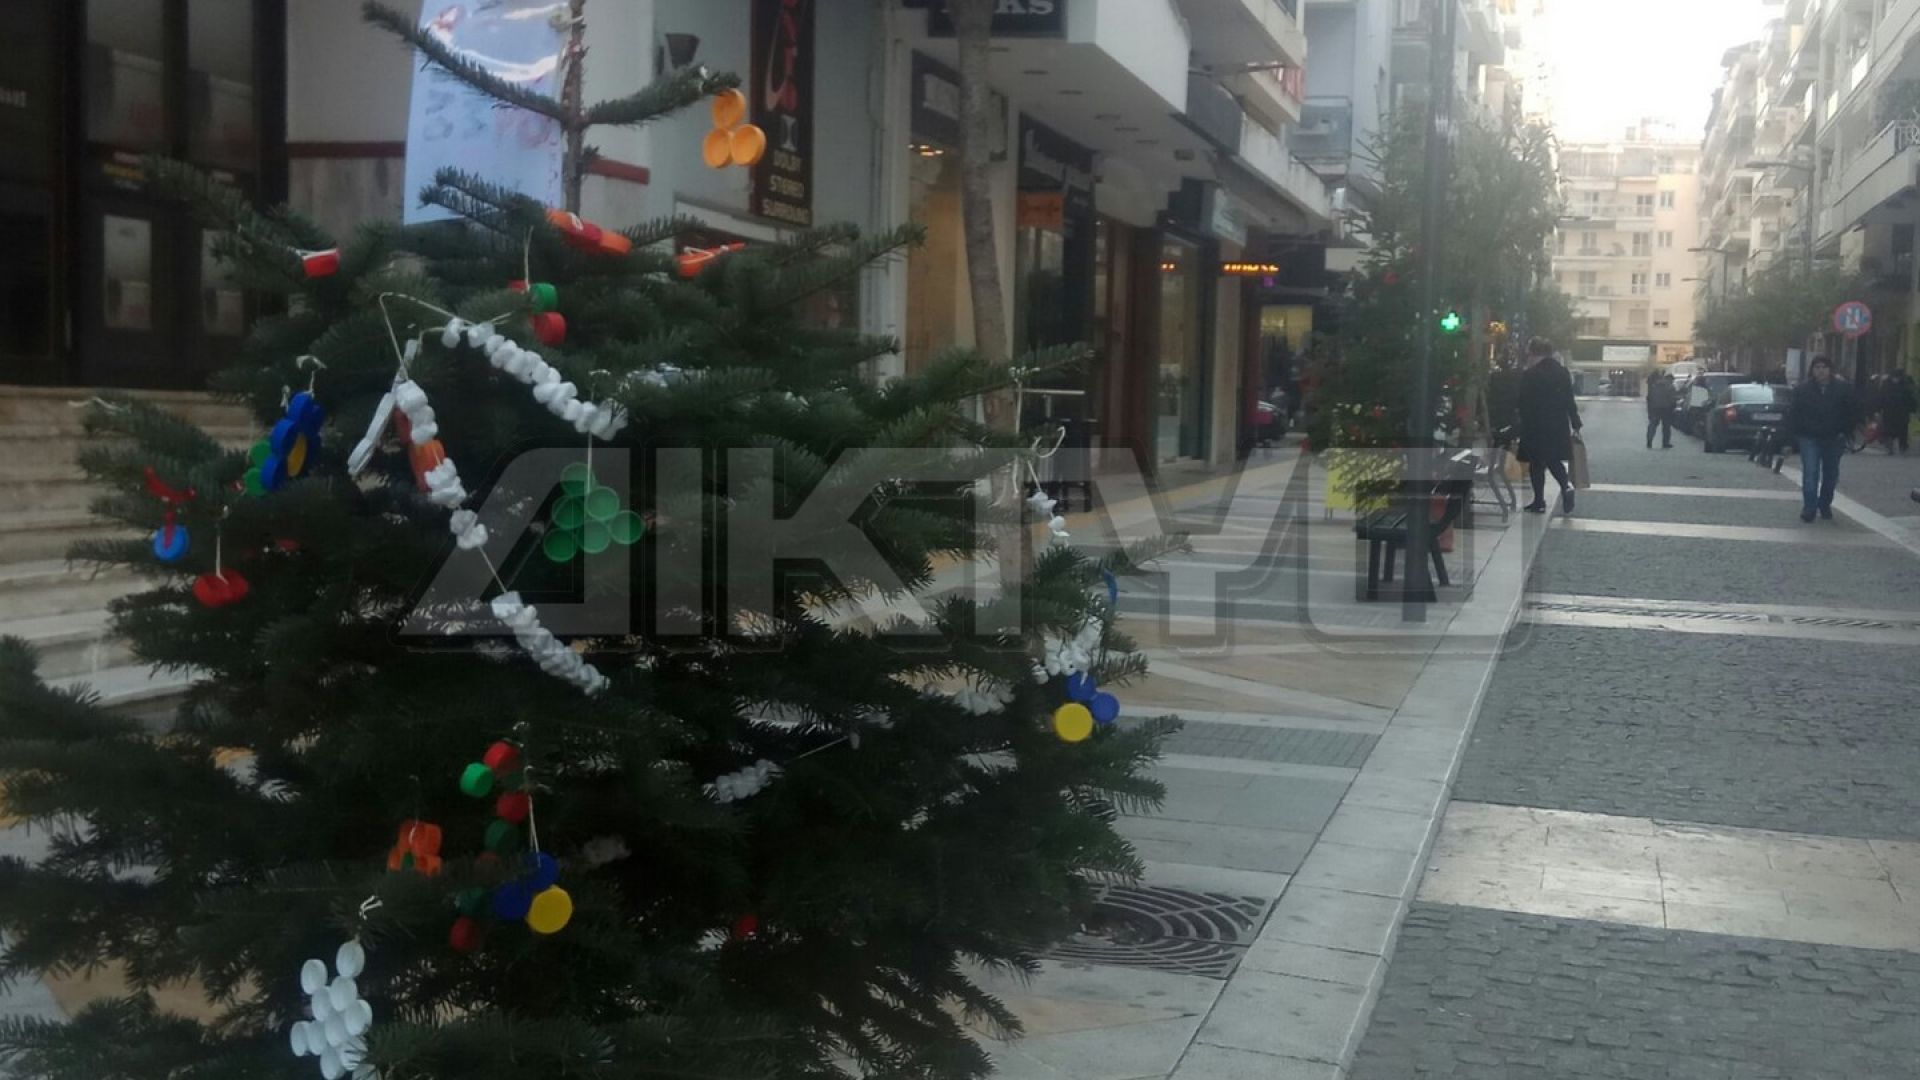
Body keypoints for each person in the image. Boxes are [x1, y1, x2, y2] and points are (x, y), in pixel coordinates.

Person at [1789, 355, 1856, 522]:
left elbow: (1851, 412)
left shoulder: (1842, 388)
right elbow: (1794, 414)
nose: (1821, 371)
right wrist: (1792, 438)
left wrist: (1845, 431)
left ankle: (1825, 503)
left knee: (1831, 475)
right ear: (1812, 370)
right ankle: (1809, 508)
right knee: (1810, 473)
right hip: (1809, 437)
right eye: (1817, 367)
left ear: (1830, 370)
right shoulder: (1802, 389)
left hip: (1834, 438)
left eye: (1824, 367)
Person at [1518, 337, 1581, 514]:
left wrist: (1520, 422)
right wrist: (1575, 422)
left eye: (1529, 354)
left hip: (1535, 425)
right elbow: (1569, 399)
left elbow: (1523, 402)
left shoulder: (1530, 375)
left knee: (1536, 463)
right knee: (1553, 460)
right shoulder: (1562, 372)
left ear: (1534, 354)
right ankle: (1566, 485)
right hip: (1557, 424)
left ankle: (1539, 501)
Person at [1882, 368, 1916, 454]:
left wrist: (1912, 408)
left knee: (1899, 431)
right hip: (1893, 413)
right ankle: (1894, 446)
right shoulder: (1902, 385)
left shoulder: (1889, 385)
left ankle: (1900, 446)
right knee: (1893, 431)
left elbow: (1910, 399)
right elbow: (1910, 398)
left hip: (1898, 413)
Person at [1646, 371, 1677, 449]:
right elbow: (1673, 399)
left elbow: (1649, 398)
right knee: (1666, 427)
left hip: (1655, 408)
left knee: (1652, 425)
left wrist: (1649, 411)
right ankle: (1665, 443)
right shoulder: (1670, 387)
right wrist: (1673, 408)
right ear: (1670, 379)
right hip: (1666, 409)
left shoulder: (1654, 385)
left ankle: (1649, 441)